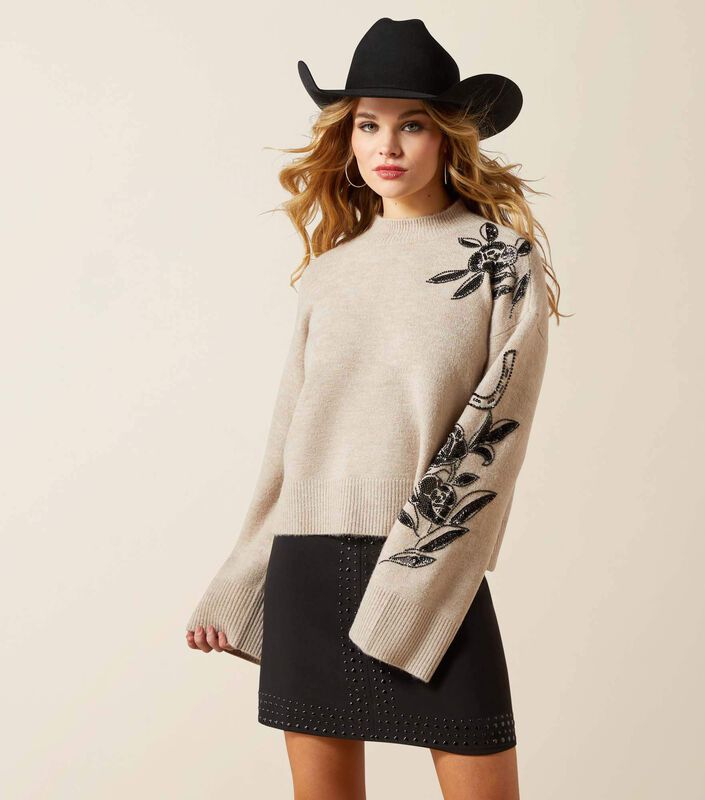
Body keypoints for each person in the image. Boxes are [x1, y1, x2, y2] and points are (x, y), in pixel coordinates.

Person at [184, 17, 564, 800]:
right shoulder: (330, 274)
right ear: (347, 137)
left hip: (431, 562)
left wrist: (412, 575)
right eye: (368, 124)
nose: (387, 145)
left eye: (412, 124)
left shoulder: (499, 259)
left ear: (448, 136)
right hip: (309, 570)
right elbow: (292, 442)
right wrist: (240, 574)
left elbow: (495, 432)